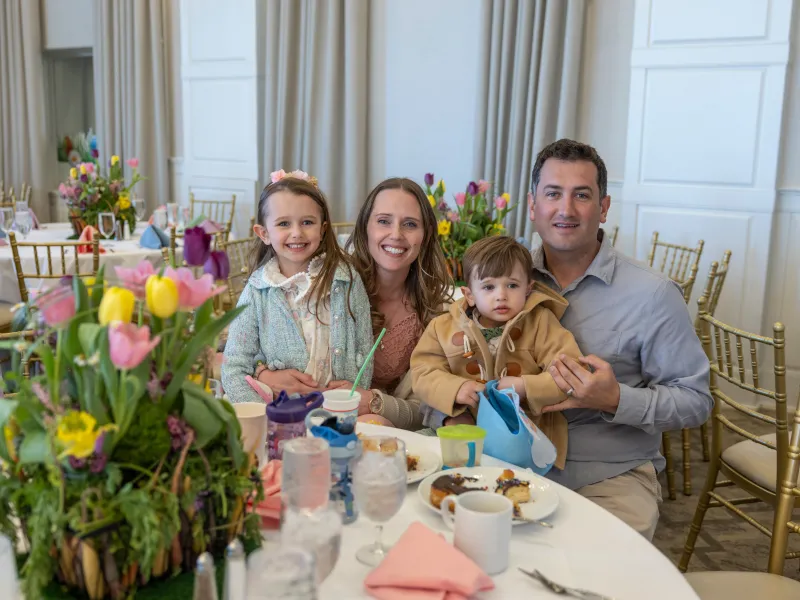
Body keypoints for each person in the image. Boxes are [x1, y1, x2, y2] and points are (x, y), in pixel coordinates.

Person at [528, 138, 713, 540]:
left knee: (603, 568)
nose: (565, 209)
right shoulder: (507, 282)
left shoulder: (653, 294)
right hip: (513, 464)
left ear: (603, 208)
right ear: (532, 206)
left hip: (609, 476)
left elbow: (696, 401)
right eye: (553, 193)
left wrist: (615, 399)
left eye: (582, 195)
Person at [410, 235, 584, 469]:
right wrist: (455, 388)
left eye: (512, 285)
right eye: (489, 287)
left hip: (522, 436)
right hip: (461, 426)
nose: (501, 295)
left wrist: (526, 387)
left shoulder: (541, 322)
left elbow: (571, 370)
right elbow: (423, 371)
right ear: (469, 295)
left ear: (528, 289)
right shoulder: (442, 327)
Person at [221, 170, 374, 403]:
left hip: (340, 410)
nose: (297, 233)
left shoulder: (346, 279)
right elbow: (234, 366)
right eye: (284, 223)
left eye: (307, 222)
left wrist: (355, 393)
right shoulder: (256, 291)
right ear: (264, 233)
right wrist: (263, 415)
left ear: (322, 229)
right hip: (280, 415)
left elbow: (365, 347)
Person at [330, 177, 452, 429]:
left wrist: (376, 404)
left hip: (388, 436)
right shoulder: (332, 288)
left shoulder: (438, 314)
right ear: (365, 227)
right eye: (384, 221)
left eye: (410, 224)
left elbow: (428, 410)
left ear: (426, 234)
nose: (396, 234)